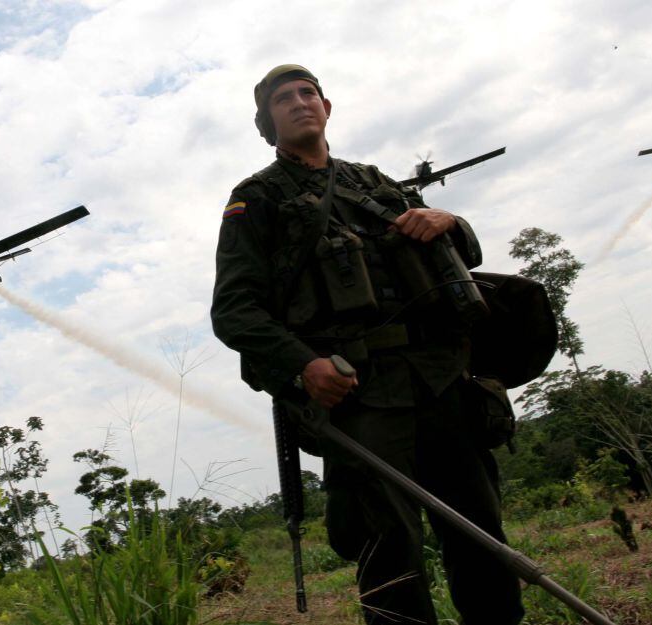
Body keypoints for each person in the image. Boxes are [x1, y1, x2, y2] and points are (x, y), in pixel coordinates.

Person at [210, 64, 524, 625]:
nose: (300, 102)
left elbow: (462, 256)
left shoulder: (375, 182)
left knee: (480, 531)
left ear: (326, 108)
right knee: (389, 550)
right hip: (361, 396)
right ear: (266, 122)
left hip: (440, 376)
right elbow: (234, 311)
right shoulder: (256, 199)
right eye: (284, 99)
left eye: (309, 93)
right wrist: (304, 365)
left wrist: (449, 221)